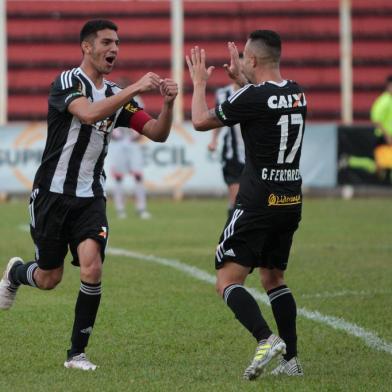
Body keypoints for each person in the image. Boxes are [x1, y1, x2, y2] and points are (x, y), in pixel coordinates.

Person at [0, 19, 177, 370]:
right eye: (106, 42)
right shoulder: (68, 82)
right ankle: (17, 274)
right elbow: (88, 113)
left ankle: (76, 354)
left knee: (92, 268)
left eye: (117, 43)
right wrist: (136, 87)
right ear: (86, 47)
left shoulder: (116, 94)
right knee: (49, 278)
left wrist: (168, 105)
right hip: (52, 194)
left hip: (90, 197)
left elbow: (157, 133)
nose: (114, 49)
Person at [186, 30, 306, 379]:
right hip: (290, 198)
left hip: (257, 200)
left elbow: (199, 120)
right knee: (273, 277)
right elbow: (264, 106)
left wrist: (197, 83)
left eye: (244, 60)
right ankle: (292, 361)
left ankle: (266, 339)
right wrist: (243, 81)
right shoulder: (298, 92)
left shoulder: (251, 97)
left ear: (251, 60)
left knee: (226, 279)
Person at [110, 85, 151, 220]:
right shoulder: (113, 98)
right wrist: (115, 134)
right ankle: (120, 209)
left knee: (138, 176)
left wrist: (137, 134)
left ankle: (141, 208)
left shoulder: (137, 100)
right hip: (118, 143)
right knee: (118, 177)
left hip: (133, 144)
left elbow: (142, 117)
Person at [208, 81, 245, 220]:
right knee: (236, 201)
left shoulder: (255, 90)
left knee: (250, 201)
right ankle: (232, 233)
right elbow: (218, 118)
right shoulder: (223, 94)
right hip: (232, 154)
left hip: (253, 154)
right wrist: (214, 140)